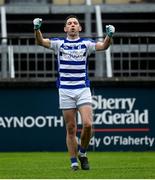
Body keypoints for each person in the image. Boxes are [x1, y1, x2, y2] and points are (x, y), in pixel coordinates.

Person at [33, 15, 115, 171]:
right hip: (65, 90)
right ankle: (74, 163)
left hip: (82, 88)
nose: (72, 25)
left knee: (88, 124)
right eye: (69, 23)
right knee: (71, 128)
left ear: (79, 28)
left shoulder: (86, 44)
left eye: (75, 23)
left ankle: (82, 154)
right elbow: (40, 41)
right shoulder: (59, 43)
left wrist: (109, 36)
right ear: (65, 29)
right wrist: (37, 29)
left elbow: (104, 46)